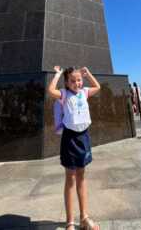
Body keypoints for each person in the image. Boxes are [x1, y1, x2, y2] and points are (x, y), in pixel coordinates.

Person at [48, 65, 101, 230]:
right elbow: (51, 90)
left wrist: (88, 73)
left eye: (79, 80)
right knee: (70, 179)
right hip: (69, 139)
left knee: (81, 177)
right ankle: (70, 221)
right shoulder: (64, 94)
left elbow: (97, 87)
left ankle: (84, 217)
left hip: (83, 137)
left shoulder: (84, 92)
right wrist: (58, 74)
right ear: (67, 82)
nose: (77, 83)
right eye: (72, 80)